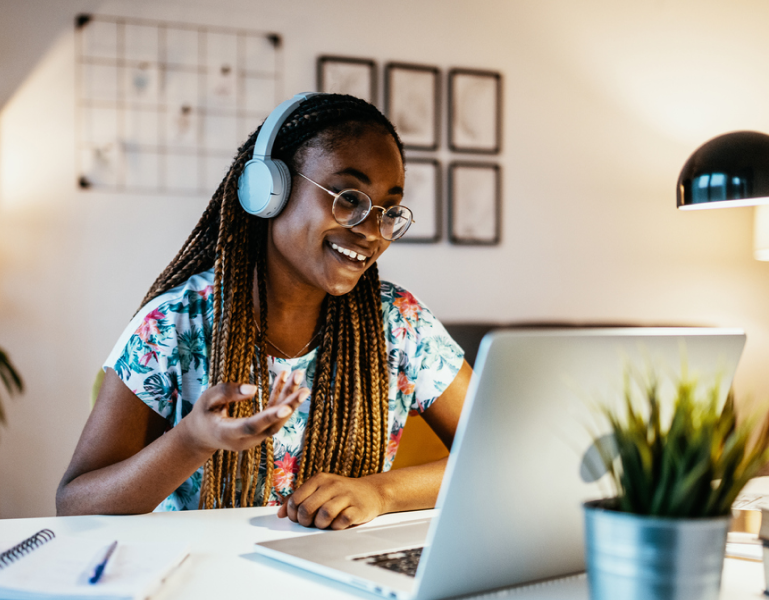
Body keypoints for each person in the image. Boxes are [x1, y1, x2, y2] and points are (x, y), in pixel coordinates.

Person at [56, 93, 471, 530]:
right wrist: (193, 440)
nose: (372, 231)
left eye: (387, 209)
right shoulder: (173, 324)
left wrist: (379, 492)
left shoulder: (400, 322)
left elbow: (508, 455)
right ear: (269, 191)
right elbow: (75, 502)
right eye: (349, 198)